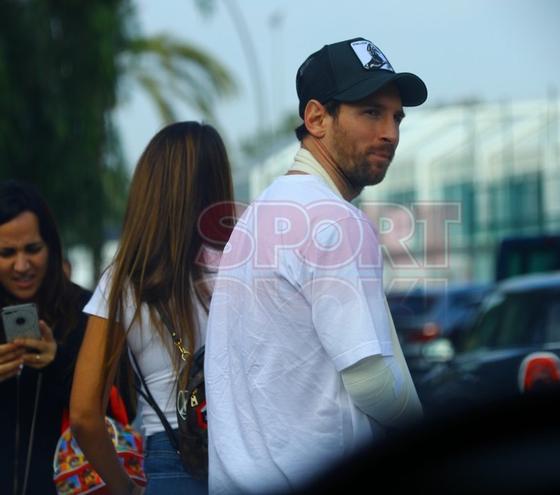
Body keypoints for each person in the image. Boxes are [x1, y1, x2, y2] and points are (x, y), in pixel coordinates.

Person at [205, 37, 427, 493]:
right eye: (371, 112)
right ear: (316, 118)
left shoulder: (260, 214)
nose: (390, 132)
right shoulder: (335, 220)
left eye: (396, 116)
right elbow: (370, 382)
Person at [69, 121, 235, 495]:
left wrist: (126, 489)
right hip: (250, 452)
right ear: (216, 184)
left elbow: (83, 414)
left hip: (172, 461)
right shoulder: (246, 264)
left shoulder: (123, 281)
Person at [0, 180, 91, 495]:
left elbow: (118, 410)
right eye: (6, 253)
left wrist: (58, 363)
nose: (22, 265)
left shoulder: (87, 312)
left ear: (52, 248)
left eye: (33, 249)